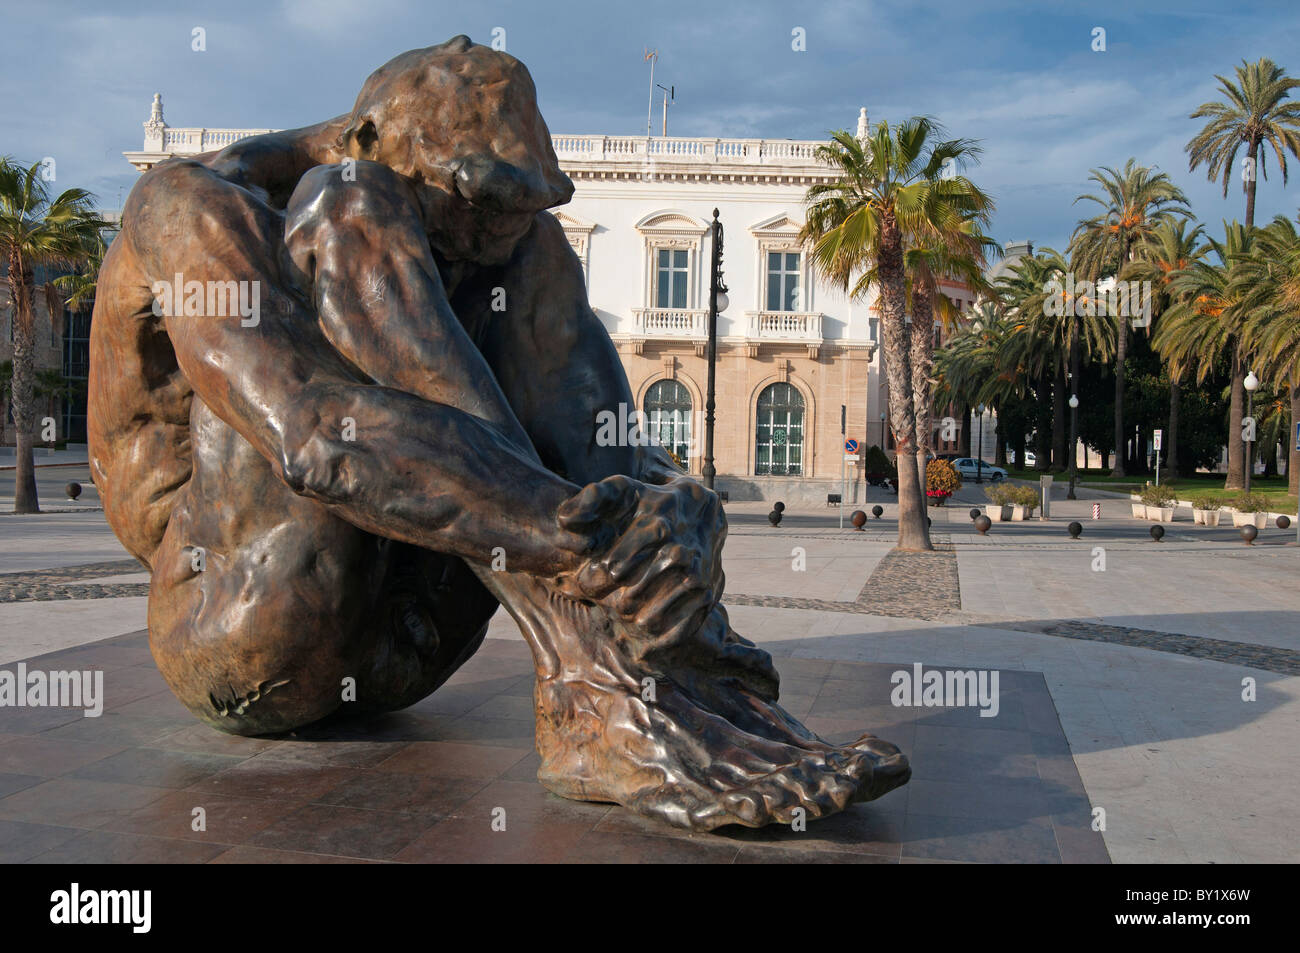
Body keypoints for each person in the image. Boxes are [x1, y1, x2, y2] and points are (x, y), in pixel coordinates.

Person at [88, 36, 907, 830]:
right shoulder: (186, 208)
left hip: (410, 645)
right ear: (367, 138)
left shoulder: (512, 238)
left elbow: (580, 420)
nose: (499, 227)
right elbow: (313, 436)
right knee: (349, 211)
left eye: (529, 196)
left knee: (524, 258)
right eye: (479, 197)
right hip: (250, 632)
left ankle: (631, 666)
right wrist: (583, 540)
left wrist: (665, 508)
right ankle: (602, 692)